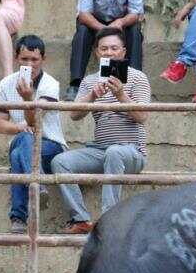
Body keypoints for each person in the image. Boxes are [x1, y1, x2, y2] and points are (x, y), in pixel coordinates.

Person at [54, 27, 149, 234]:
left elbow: (142, 116)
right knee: (60, 161)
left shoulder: (138, 78)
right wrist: (91, 97)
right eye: (104, 48)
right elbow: (74, 115)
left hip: (131, 152)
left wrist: (122, 95)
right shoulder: (89, 81)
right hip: (101, 150)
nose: (109, 52)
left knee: (115, 152)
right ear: (97, 52)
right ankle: (80, 219)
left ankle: (109, 220)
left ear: (124, 52)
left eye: (114, 48)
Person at [0, 35, 67, 234]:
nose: (29, 64)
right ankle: (38, 184)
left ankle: (18, 218)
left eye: (34, 60)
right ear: (17, 58)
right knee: (25, 140)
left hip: (50, 144)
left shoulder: (50, 84)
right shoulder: (6, 84)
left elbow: (35, 124)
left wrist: (28, 99)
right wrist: (20, 128)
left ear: (43, 59)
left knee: (19, 154)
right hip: (21, 140)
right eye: (24, 59)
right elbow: (1, 125)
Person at [66, 0, 145, 102]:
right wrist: (105, 29)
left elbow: (135, 13)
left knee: (135, 31)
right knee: (82, 31)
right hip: (95, 20)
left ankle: (134, 83)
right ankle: (75, 84)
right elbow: (83, 14)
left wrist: (119, 23)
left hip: (121, 21)